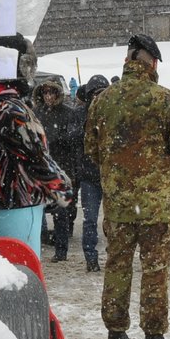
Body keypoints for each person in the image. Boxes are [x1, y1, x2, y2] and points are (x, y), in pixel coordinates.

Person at [84, 33, 170, 339]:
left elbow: (91, 151)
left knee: (117, 266)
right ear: (151, 62)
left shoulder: (102, 101)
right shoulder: (166, 101)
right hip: (157, 205)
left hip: (119, 205)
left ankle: (117, 337)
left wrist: (117, 177)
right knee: (155, 270)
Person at [0, 34, 71, 257]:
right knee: (23, 266)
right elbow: (36, 155)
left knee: (3, 267)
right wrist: (61, 187)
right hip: (19, 199)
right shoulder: (12, 108)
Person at [32, 77, 84, 262]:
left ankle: (61, 251)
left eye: (52, 92)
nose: (48, 96)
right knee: (37, 211)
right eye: (45, 92)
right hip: (41, 166)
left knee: (60, 212)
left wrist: (55, 140)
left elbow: (74, 140)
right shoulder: (36, 112)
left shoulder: (68, 114)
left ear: (57, 94)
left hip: (61, 167)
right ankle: (37, 248)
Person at [74, 74, 110, 274]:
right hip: (89, 176)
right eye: (95, 94)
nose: (99, 97)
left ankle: (113, 255)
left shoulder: (114, 112)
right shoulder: (81, 114)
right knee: (90, 220)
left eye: (102, 93)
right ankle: (91, 258)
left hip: (109, 174)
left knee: (113, 220)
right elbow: (71, 139)